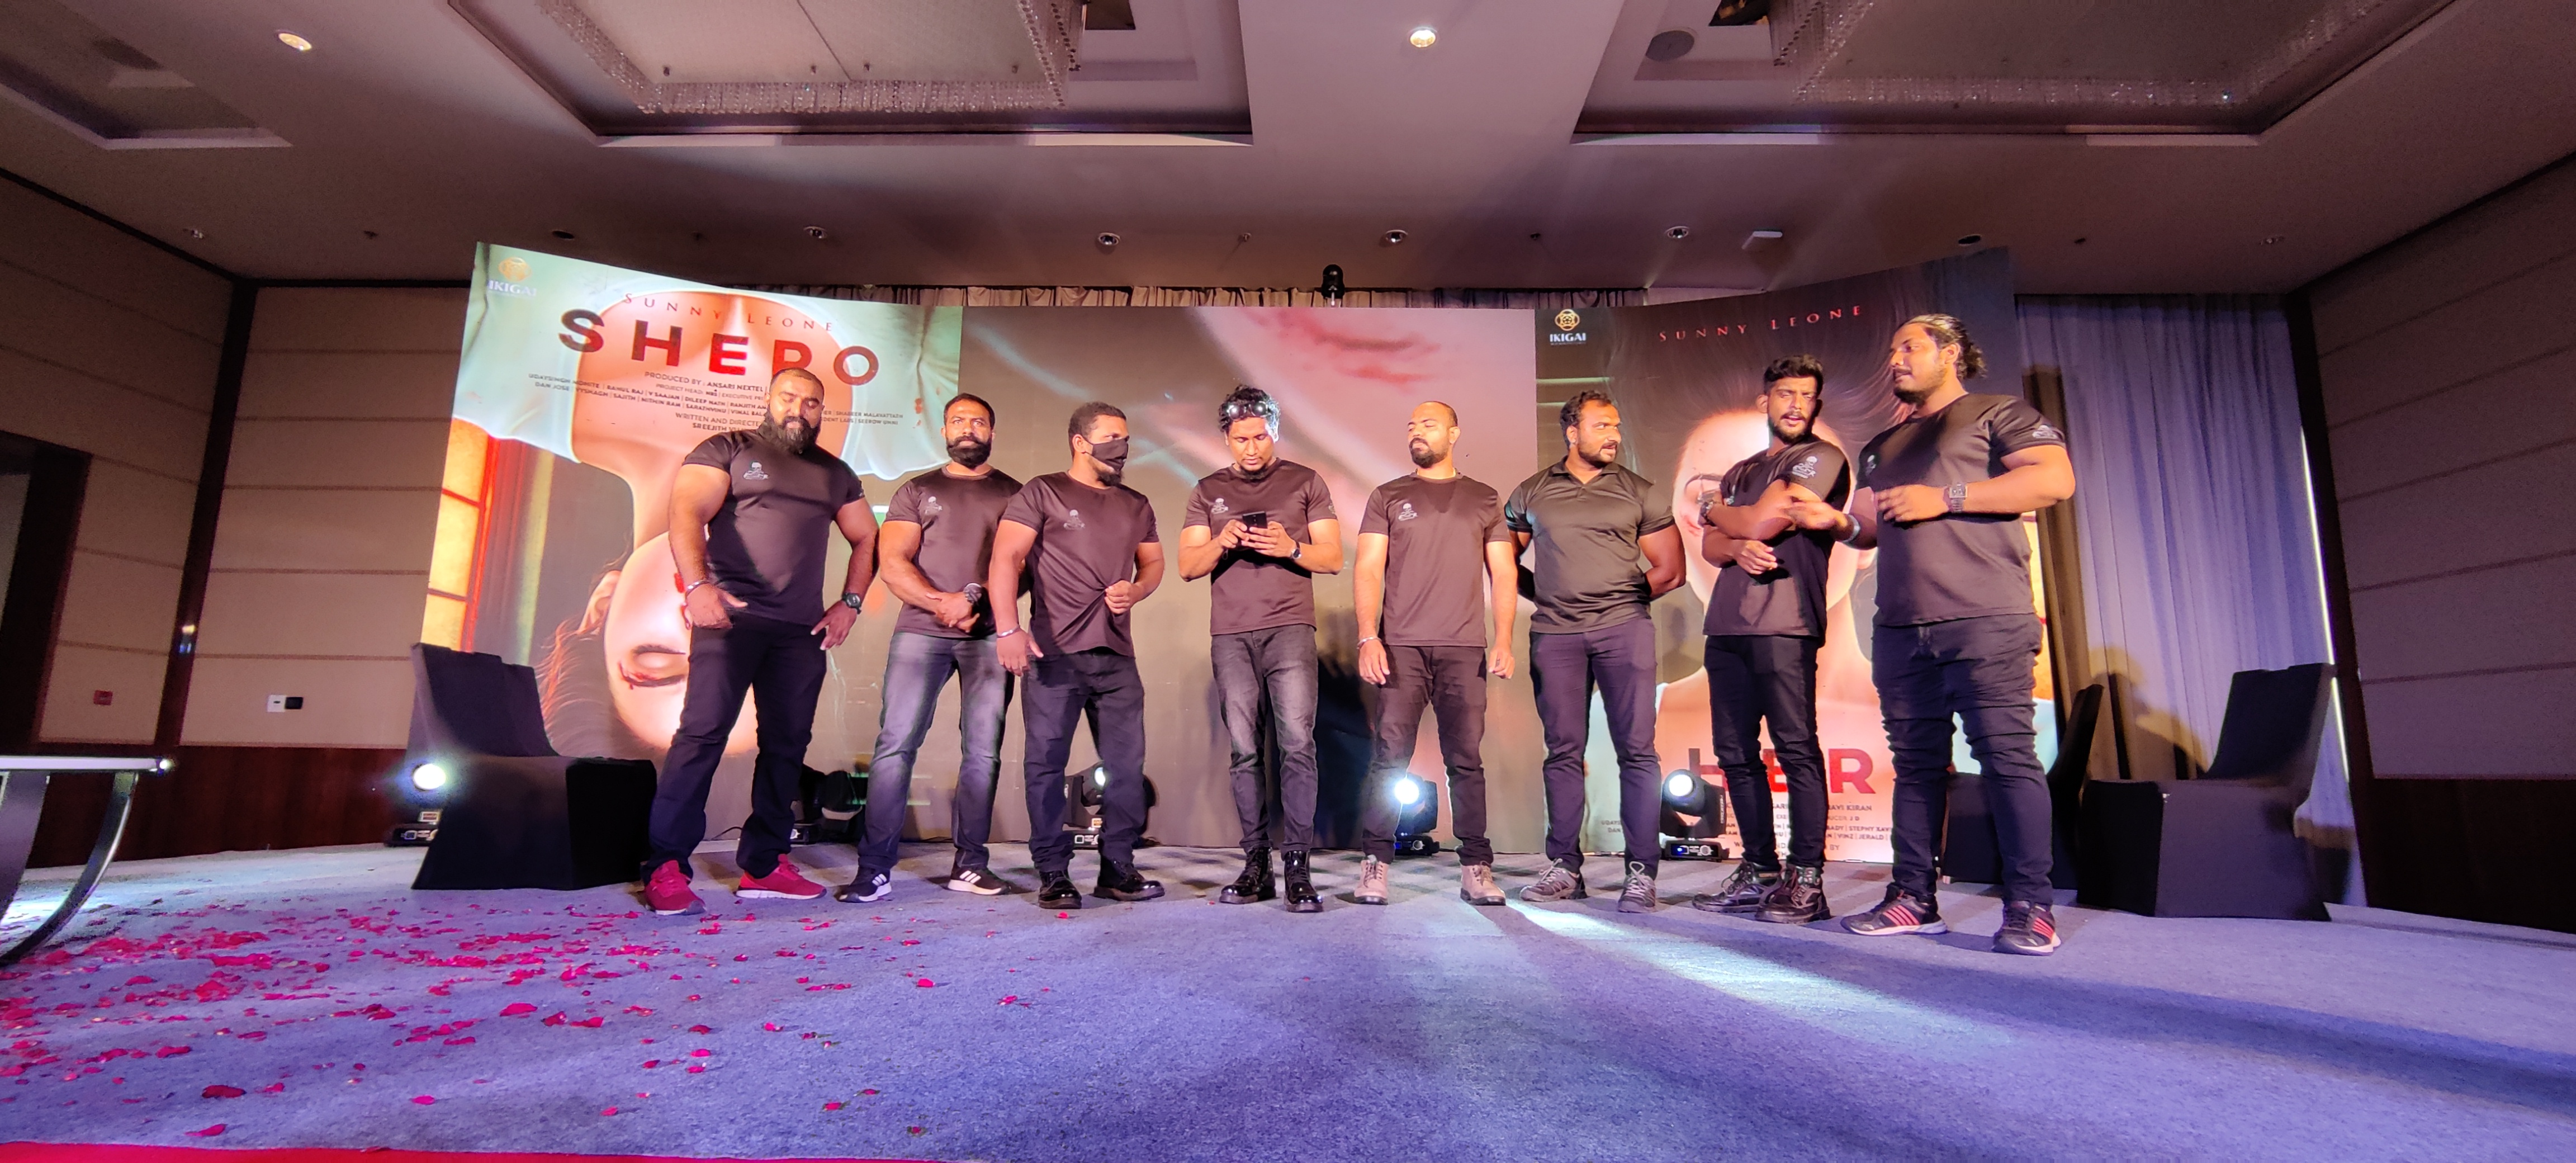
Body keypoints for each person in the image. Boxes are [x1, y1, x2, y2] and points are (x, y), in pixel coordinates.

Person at [1800, 314, 2076, 955]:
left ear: (1950, 353)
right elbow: (1868, 527)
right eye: (1892, 349)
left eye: (1910, 347)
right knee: (1916, 766)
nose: (1895, 359)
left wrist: (1945, 496)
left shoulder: (1997, 413)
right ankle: (1913, 898)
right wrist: (1834, 522)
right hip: (1901, 626)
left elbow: (2053, 480)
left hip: (1985, 617)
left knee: (2007, 759)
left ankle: (2030, 905)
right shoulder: (1882, 445)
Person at [643, 368, 878, 916]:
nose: (800, 409)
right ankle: (666, 865)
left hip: (798, 632)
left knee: (786, 746)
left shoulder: (835, 472)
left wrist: (851, 602)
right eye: (789, 397)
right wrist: (697, 587)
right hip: (731, 619)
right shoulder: (728, 448)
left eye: (812, 402)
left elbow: (868, 535)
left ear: (822, 411)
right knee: (702, 735)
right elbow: (686, 512)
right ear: (770, 401)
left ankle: (765, 864)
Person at [1505, 389, 1686, 912]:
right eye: (1602, 425)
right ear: (1572, 432)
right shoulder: (1532, 492)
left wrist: (1616, 601)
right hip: (1556, 636)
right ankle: (1564, 867)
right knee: (1563, 752)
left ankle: (1641, 872)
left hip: (1623, 630)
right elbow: (1502, 560)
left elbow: (1670, 570)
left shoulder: (1637, 491)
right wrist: (1544, 596)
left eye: (1617, 426)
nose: (1614, 435)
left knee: (1637, 751)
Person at [839, 395, 1022, 903]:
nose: (968, 428)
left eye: (978, 422)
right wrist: (942, 603)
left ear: (992, 432)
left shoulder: (1017, 494)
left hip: (988, 635)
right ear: (943, 430)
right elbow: (893, 561)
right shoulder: (918, 490)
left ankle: (971, 866)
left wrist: (974, 601)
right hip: (921, 632)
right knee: (895, 746)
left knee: (982, 753)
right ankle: (875, 870)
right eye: (958, 420)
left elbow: (1023, 566)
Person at [988, 402, 1168, 911]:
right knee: (1045, 765)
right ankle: (1052, 871)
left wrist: (1137, 590)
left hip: (1116, 657)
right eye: (1112, 438)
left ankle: (1118, 868)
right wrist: (1008, 629)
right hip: (1054, 654)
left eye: (1126, 439)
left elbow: (1153, 563)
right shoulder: (1042, 491)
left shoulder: (1136, 504)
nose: (1123, 448)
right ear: (1080, 442)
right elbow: (1006, 557)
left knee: (1126, 768)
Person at [1688, 356, 1850, 925]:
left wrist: (1718, 511)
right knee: (1735, 754)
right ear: (1766, 401)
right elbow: (1712, 546)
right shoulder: (1740, 471)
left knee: (1796, 749)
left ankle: (1807, 880)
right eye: (1785, 393)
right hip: (1727, 625)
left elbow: (1764, 522)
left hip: (1786, 623)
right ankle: (1759, 870)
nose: (1796, 404)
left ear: (1817, 404)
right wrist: (1734, 541)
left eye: (1807, 395)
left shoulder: (1821, 458)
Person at [1178, 386, 1344, 914]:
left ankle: (1298, 866)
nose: (1251, 448)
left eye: (1260, 437)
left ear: (1275, 432)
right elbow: (1187, 566)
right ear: (1226, 438)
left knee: (1297, 744)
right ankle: (1256, 864)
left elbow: (1333, 557)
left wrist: (1290, 548)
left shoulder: (1305, 481)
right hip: (1231, 633)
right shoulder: (1207, 490)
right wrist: (1222, 541)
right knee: (1244, 750)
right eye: (1241, 439)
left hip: (1289, 628)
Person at [1352, 401, 1518, 906]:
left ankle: (1476, 868)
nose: (1416, 432)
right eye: (1411, 426)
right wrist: (1368, 636)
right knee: (1389, 759)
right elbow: (1368, 567)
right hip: (1401, 647)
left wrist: (1504, 639)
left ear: (1454, 433)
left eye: (1428, 424)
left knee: (1465, 761)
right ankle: (1375, 864)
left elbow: (1504, 572)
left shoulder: (1484, 498)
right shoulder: (1388, 496)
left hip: (1464, 647)